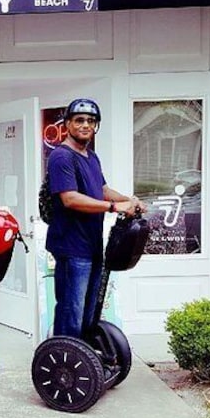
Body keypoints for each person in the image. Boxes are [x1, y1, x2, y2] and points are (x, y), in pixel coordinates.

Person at [45, 98, 147, 338]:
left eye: (91, 121)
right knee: (72, 310)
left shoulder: (91, 156)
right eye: (79, 120)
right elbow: (70, 198)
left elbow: (101, 189)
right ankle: (65, 361)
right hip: (71, 247)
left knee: (89, 311)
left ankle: (84, 360)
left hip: (92, 245)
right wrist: (115, 207)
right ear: (68, 124)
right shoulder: (61, 157)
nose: (85, 125)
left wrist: (129, 201)